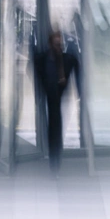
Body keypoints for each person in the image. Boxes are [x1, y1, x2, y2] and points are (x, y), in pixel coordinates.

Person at [37, 28, 74, 172]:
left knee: (56, 129)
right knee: (53, 129)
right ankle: (54, 160)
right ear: (50, 44)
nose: (59, 47)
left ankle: (55, 160)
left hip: (59, 99)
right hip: (49, 98)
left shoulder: (65, 60)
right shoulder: (42, 60)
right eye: (56, 44)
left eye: (60, 44)